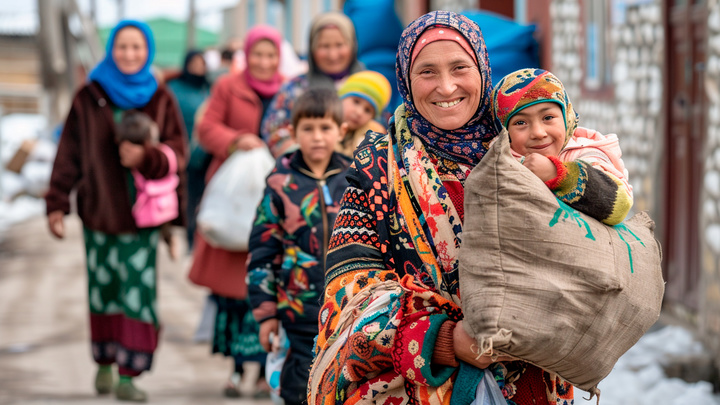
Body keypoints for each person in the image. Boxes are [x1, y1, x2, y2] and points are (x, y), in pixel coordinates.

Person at [308, 11, 575, 405]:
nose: (446, 86)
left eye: (459, 68)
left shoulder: (524, 151)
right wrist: (444, 339)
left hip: (534, 382)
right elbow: (347, 293)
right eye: (427, 72)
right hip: (422, 385)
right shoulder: (378, 171)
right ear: (405, 79)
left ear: (483, 70)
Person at [45, 20, 186, 402]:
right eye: (122, 47)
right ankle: (105, 362)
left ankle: (129, 372)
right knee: (103, 291)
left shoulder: (161, 97)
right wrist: (56, 201)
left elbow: (178, 152)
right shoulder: (89, 96)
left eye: (137, 47)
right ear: (110, 50)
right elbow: (69, 154)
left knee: (138, 295)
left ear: (149, 52)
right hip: (98, 214)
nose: (129, 54)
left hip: (143, 221)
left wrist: (148, 157)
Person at [187, 24, 283, 398]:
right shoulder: (228, 86)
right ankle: (233, 369)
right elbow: (207, 128)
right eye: (257, 54)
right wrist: (235, 141)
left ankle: (261, 372)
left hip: (273, 196)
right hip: (233, 198)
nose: (263, 61)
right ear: (246, 55)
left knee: (266, 286)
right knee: (231, 293)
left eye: (270, 55)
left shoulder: (288, 89)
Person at [247, 88, 351, 405]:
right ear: (293, 132)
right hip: (299, 314)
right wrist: (266, 316)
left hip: (349, 312)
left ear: (341, 131)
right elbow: (262, 254)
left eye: (325, 128)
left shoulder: (354, 178)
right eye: (308, 129)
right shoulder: (280, 184)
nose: (317, 137)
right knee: (300, 390)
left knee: (345, 389)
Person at [492, 67, 633, 225]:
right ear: (504, 131)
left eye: (548, 117)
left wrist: (556, 174)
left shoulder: (587, 154)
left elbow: (619, 205)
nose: (538, 133)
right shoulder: (497, 164)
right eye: (520, 122)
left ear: (567, 117)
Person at [261, 12, 364, 158]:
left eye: (340, 45)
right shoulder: (295, 88)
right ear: (312, 48)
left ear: (352, 46)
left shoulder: (368, 84)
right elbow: (273, 131)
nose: (332, 55)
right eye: (324, 46)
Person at [115, 111, 180, 259]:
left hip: (158, 203)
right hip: (148, 208)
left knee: (165, 228)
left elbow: (172, 161)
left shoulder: (160, 154)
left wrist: (144, 157)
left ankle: (171, 241)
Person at [166, 50, 211, 251]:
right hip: (183, 154)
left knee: (205, 198)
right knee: (188, 198)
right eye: (194, 63)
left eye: (201, 64)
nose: (198, 68)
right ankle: (189, 237)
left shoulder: (209, 89)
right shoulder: (174, 89)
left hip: (208, 154)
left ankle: (202, 240)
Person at [337, 70, 392, 157]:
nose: (359, 112)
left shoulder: (372, 141)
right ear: (341, 98)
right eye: (356, 102)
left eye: (367, 110)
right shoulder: (319, 122)